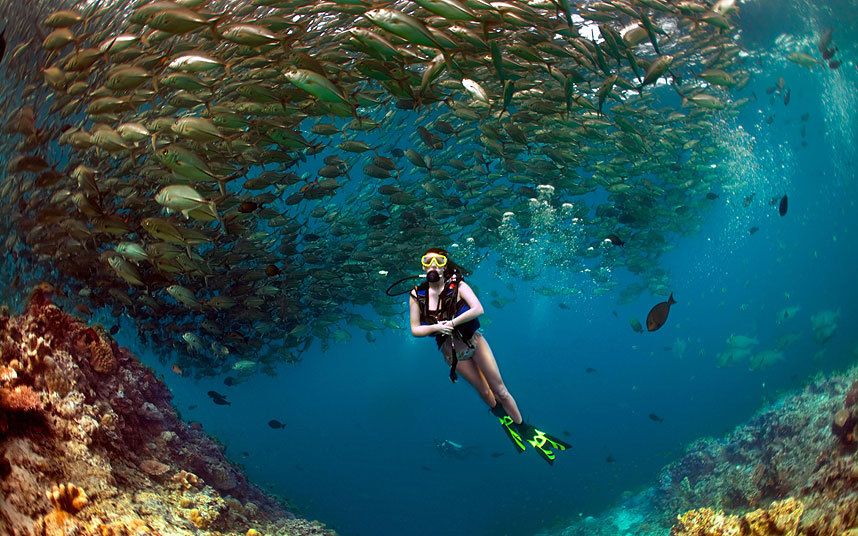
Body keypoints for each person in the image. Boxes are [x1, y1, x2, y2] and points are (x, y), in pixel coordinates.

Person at [408, 247, 570, 464]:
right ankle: (502, 415)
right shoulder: (416, 294)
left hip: (475, 341)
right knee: (484, 392)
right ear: (423, 266)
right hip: (454, 354)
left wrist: (452, 323)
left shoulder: (459, 286)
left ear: (446, 263)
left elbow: (478, 309)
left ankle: (524, 428)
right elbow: (415, 329)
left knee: (500, 389)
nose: (433, 265)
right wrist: (436, 328)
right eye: (428, 261)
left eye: (439, 260)